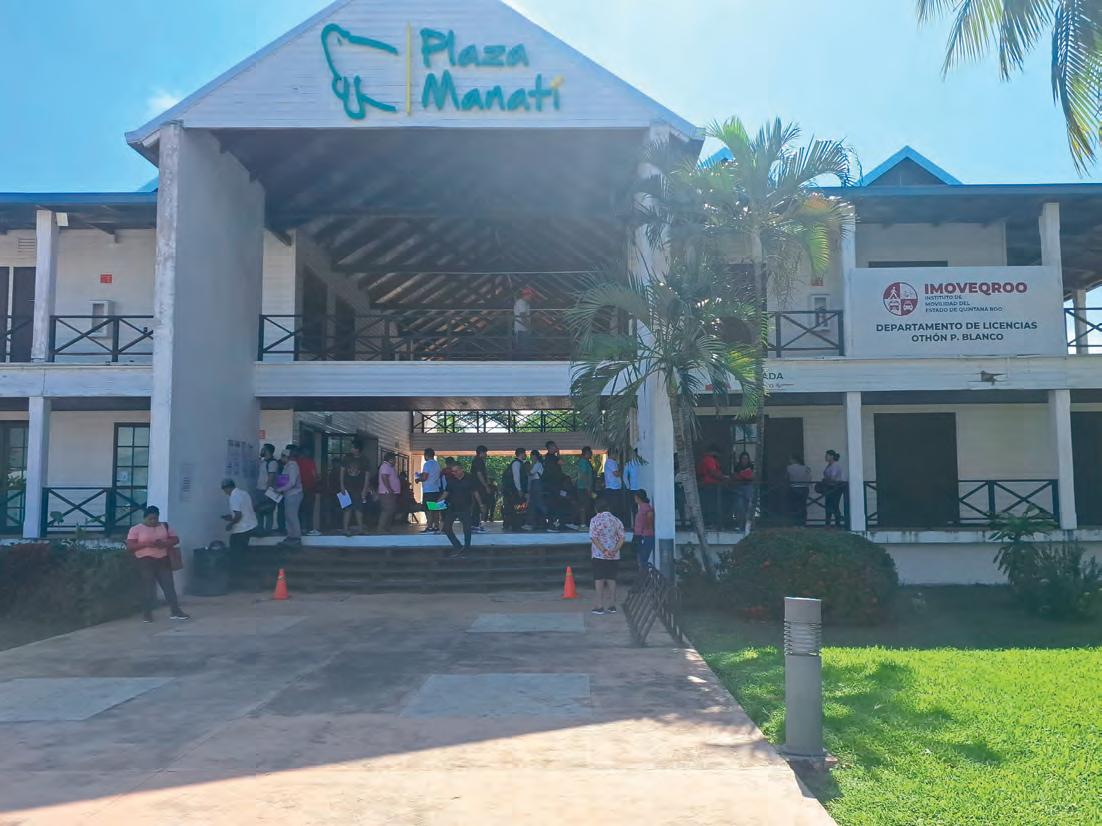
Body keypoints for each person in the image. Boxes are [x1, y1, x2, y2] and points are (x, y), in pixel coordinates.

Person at [126, 506, 189, 622]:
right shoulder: (136, 529)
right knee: (148, 587)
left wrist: (164, 543)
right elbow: (130, 546)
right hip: (145, 560)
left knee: (169, 586)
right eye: (150, 519)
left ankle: (175, 611)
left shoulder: (164, 526)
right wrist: (145, 544)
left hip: (163, 559)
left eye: (155, 518)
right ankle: (147, 614)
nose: (153, 521)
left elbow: (175, 539)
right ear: (144, 518)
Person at [438, 462, 484, 557]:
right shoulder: (451, 480)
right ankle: (458, 546)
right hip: (452, 507)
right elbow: (446, 493)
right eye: (452, 471)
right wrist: (437, 503)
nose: (454, 473)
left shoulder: (470, 479)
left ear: (461, 470)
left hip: (465, 507)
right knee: (446, 528)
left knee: (467, 529)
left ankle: (467, 548)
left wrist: (481, 504)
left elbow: (475, 493)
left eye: (456, 471)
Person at [589, 496, 625, 615]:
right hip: (614, 555)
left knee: (599, 579)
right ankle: (612, 605)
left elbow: (594, 538)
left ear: (596, 508)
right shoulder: (616, 520)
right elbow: (622, 538)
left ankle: (599, 605)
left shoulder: (595, 520)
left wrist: (604, 550)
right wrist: (614, 550)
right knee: (611, 579)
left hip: (599, 555)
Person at [221, 478, 258, 569]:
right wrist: (230, 517)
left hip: (241, 530)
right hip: (251, 526)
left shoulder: (233, 497)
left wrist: (230, 524)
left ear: (227, 488)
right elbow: (245, 511)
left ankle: (237, 572)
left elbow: (238, 515)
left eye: (224, 490)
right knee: (244, 553)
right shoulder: (244, 493)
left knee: (236, 555)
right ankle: (243, 570)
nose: (225, 493)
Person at [340, 439, 369, 535]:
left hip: (359, 488)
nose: (351, 449)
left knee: (359, 509)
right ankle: (345, 529)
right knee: (347, 509)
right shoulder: (346, 458)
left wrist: (365, 489)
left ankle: (360, 529)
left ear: (357, 449)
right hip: (347, 487)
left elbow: (367, 476)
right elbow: (342, 472)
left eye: (353, 447)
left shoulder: (364, 460)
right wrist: (342, 486)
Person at [696, 445, 728, 528]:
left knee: (708, 504)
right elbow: (713, 472)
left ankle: (709, 523)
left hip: (707, 485)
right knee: (711, 505)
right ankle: (711, 523)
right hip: (709, 485)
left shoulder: (704, 459)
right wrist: (724, 477)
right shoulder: (709, 459)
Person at [277, 445, 303, 544]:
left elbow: (291, 482)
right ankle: (291, 536)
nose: (281, 458)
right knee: (288, 516)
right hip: (288, 494)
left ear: (287, 457)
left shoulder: (292, 466)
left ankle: (296, 537)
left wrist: (279, 490)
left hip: (294, 494)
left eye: (282, 456)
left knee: (292, 516)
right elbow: (284, 480)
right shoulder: (287, 466)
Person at [417, 448, 444, 533]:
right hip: (436, 489)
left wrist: (418, 479)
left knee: (428, 510)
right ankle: (436, 526)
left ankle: (429, 527)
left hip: (428, 490)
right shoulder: (437, 464)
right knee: (435, 509)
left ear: (426, 455)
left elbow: (425, 477)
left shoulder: (427, 464)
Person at [254, 443, 278, 534]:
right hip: (259, 489)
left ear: (267, 451)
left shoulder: (272, 463)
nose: (261, 451)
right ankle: (260, 530)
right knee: (259, 510)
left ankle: (268, 531)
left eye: (263, 449)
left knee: (268, 511)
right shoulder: (264, 462)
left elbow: (271, 478)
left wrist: (268, 492)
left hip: (266, 490)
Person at [502, 448, 528, 531]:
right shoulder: (516, 463)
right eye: (524, 453)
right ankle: (516, 526)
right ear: (521, 454)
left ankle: (510, 524)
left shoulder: (518, 463)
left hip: (512, 491)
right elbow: (516, 477)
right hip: (514, 491)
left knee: (513, 508)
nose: (526, 455)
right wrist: (519, 489)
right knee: (518, 508)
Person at [297, 446, 320, 536]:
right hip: (309, 488)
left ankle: (300, 528)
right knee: (309, 510)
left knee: (300, 509)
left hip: (298, 489)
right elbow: (314, 475)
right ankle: (309, 529)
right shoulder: (310, 462)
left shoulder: (296, 462)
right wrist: (317, 479)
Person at [376, 451, 401, 532]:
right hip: (386, 493)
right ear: (390, 459)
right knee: (387, 510)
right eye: (394, 459)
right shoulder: (385, 466)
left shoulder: (390, 467)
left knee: (391, 510)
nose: (395, 461)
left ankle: (386, 528)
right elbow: (384, 477)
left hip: (392, 493)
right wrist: (389, 489)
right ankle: (381, 528)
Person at [470, 445, 493, 532]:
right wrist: (486, 486)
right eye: (485, 453)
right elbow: (479, 474)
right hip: (478, 487)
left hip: (477, 486)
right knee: (479, 505)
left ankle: (476, 524)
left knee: (477, 505)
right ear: (481, 452)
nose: (486, 454)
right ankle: (476, 524)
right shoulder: (478, 461)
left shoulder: (476, 460)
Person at [542, 440, 564, 531]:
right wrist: (558, 453)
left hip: (550, 485)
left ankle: (553, 524)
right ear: (550, 448)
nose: (556, 448)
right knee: (554, 505)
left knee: (553, 505)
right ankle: (552, 525)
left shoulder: (547, 457)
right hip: (553, 485)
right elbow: (562, 462)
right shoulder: (552, 457)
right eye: (554, 446)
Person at [785, 454, 812, 526]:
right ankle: (803, 523)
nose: (789, 461)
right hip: (805, 489)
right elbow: (809, 479)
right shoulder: (806, 468)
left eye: (790, 459)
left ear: (794, 460)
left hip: (794, 488)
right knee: (803, 506)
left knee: (794, 506)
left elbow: (786, 477)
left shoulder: (789, 468)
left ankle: (796, 523)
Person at [821, 449, 846, 527]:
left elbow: (833, 478)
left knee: (834, 504)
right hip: (829, 487)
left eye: (827, 455)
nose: (825, 457)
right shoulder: (829, 465)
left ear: (832, 456)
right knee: (828, 505)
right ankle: (828, 523)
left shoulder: (834, 466)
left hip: (835, 487)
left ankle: (837, 523)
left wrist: (825, 480)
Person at [632, 489, 655, 571]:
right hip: (639, 536)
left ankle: (644, 576)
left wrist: (645, 530)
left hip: (645, 536)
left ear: (638, 497)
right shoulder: (641, 507)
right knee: (640, 559)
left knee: (643, 560)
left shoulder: (646, 507)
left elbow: (649, 519)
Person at [524, 449, 547, 530]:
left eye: (532, 456)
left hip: (537, 483)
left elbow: (531, 473)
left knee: (538, 502)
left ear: (536, 456)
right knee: (533, 504)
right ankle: (530, 523)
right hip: (534, 484)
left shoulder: (538, 464)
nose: (531, 458)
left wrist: (528, 468)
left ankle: (550, 516)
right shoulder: (535, 464)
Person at [574, 446, 597, 528]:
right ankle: (582, 524)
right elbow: (583, 475)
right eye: (590, 453)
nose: (591, 454)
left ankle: (584, 523)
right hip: (583, 488)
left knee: (587, 505)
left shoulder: (586, 462)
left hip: (586, 487)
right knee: (584, 505)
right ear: (586, 453)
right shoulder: (583, 462)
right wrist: (588, 488)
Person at [732, 451, 755, 529]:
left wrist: (744, 476)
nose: (745, 460)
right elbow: (735, 476)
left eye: (746, 458)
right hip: (739, 488)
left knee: (748, 507)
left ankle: (748, 525)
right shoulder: (737, 467)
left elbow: (752, 476)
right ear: (740, 459)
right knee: (739, 506)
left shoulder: (751, 466)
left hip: (748, 488)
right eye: (743, 458)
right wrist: (742, 476)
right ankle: (740, 524)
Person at [513, 286, 535, 355]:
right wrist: (529, 327)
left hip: (523, 329)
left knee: (523, 348)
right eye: (531, 296)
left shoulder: (525, 303)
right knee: (523, 349)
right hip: (521, 330)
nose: (531, 298)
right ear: (526, 295)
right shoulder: (521, 303)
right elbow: (523, 316)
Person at [623, 448, 642, 523]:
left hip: (638, 488)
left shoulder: (640, 463)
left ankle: (638, 524)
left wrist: (628, 486)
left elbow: (624, 476)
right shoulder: (629, 464)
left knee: (638, 508)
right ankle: (635, 524)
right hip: (634, 489)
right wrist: (628, 486)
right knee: (634, 508)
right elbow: (624, 476)